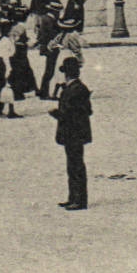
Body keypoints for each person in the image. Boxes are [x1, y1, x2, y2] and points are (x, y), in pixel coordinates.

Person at [49, 57, 92, 210]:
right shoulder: (78, 88)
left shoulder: (74, 90)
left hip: (73, 132)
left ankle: (79, 200)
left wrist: (57, 114)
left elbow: (70, 113)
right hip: (76, 133)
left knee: (75, 166)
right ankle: (74, 197)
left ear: (66, 74)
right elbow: (88, 110)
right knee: (73, 166)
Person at [36, 1, 63, 100]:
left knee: (49, 70)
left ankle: (43, 91)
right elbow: (49, 34)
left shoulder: (46, 18)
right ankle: (44, 93)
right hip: (50, 47)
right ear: (54, 11)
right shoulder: (49, 20)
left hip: (48, 47)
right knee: (49, 70)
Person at [0, 21, 21, 119]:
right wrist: (9, 68)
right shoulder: (5, 42)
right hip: (7, 63)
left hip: (4, 63)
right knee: (8, 87)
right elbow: (7, 55)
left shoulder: (3, 41)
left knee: (5, 87)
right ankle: (10, 110)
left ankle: (0, 107)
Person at [8, 22, 39, 102]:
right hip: (19, 51)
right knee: (21, 71)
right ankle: (19, 92)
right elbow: (17, 39)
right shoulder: (20, 27)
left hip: (18, 51)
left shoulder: (13, 26)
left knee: (21, 71)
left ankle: (23, 90)